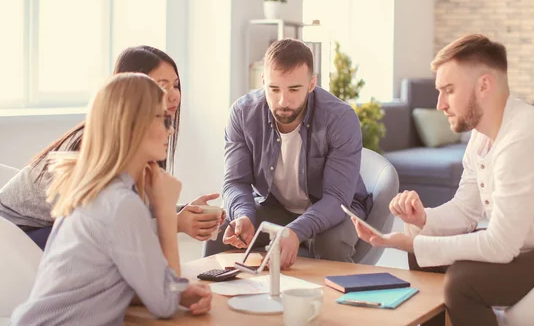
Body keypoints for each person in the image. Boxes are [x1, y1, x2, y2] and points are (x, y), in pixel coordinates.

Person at [351, 34, 534, 326]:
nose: (440, 103)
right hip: (529, 244)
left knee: (462, 283)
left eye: (449, 90)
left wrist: (408, 243)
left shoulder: (523, 138)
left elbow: (500, 245)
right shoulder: (481, 136)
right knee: (425, 249)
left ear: (484, 85)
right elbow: (466, 210)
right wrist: (422, 220)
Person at [11, 73, 213, 325]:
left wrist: (178, 291)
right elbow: (164, 305)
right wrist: (165, 212)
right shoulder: (121, 205)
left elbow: (110, 284)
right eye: (161, 119)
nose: (170, 129)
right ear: (132, 126)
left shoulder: (97, 191)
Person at [0, 46, 223, 249]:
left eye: (175, 85)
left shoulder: (141, 139)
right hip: (15, 238)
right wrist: (173, 223)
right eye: (161, 86)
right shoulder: (92, 145)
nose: (174, 95)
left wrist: (181, 212)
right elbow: (103, 229)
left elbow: (124, 209)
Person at [203, 38, 373, 268]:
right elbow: (235, 181)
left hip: (337, 209)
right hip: (277, 207)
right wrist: (243, 215)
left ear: (312, 84)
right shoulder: (242, 114)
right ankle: (216, 300)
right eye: (274, 89)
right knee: (225, 229)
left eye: (294, 89)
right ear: (263, 81)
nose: (283, 101)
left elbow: (336, 198)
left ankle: (329, 303)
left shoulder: (340, 119)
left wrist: (295, 231)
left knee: (329, 243)